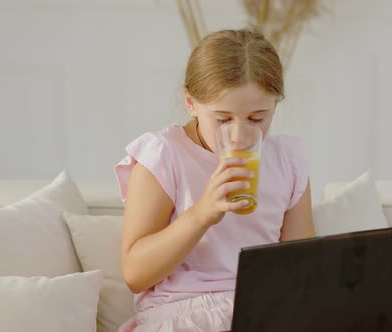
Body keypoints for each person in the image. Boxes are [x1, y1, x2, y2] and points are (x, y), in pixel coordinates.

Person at [115, 28, 315, 332]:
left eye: (258, 118)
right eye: (222, 119)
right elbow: (135, 274)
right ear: (191, 102)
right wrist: (202, 213)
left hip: (264, 308)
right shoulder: (165, 156)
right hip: (185, 313)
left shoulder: (287, 161)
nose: (239, 135)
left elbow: (304, 269)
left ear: (276, 105)